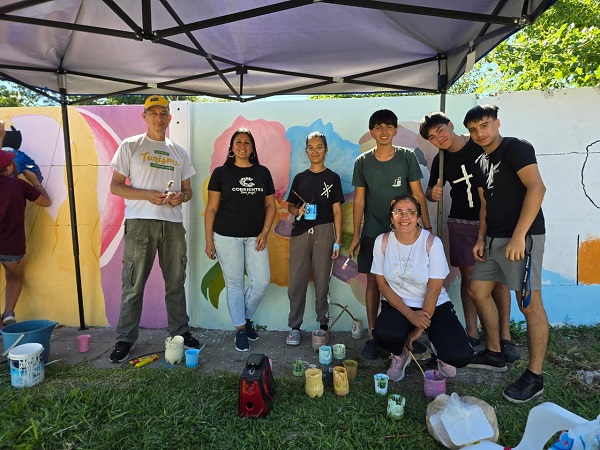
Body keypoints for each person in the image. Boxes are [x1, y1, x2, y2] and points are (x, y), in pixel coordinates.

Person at [464, 104, 548, 403]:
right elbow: (485, 205)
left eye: (484, 125)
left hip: (521, 238)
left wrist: (519, 236)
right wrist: (481, 238)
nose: (480, 133)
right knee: (477, 291)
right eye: (473, 130)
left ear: (497, 123)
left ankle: (535, 377)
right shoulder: (479, 161)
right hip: (493, 239)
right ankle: (494, 353)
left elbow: (537, 189)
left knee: (529, 304)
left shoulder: (516, 148)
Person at [420, 112, 519, 363]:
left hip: (495, 221)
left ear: (450, 125)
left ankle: (504, 338)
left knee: (499, 280)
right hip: (461, 221)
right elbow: (431, 191)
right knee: (469, 278)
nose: (439, 138)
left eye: (440, 130)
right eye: (432, 137)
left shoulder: (479, 143)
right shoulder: (441, 160)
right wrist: (433, 193)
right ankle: (472, 333)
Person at [109, 95, 199, 363]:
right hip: (140, 222)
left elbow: (188, 191)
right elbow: (116, 186)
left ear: (170, 117)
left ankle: (180, 331)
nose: (159, 118)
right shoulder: (131, 145)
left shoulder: (179, 152)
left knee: (176, 281)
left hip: (172, 224)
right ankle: (125, 338)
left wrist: (180, 197)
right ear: (144, 116)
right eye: (153, 113)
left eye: (163, 113)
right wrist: (147, 195)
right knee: (133, 283)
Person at [350, 109, 432, 360]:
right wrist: (356, 235)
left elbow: (418, 195)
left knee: (406, 280)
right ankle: (373, 335)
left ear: (395, 130)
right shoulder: (362, 161)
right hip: (373, 232)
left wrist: (427, 228)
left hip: (405, 233)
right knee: (373, 283)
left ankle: (408, 335)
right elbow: (359, 200)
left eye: (388, 126)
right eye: (378, 127)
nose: (383, 131)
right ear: (371, 131)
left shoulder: (407, 157)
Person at [371, 194, 473, 381]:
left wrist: (420, 327)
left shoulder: (432, 243)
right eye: (398, 212)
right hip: (398, 304)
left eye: (411, 212)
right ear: (391, 218)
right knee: (383, 333)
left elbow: (434, 289)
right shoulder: (382, 242)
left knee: (460, 355)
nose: (405, 217)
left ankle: (439, 349)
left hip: (434, 304)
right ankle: (401, 353)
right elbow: (382, 285)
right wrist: (411, 315)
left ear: (418, 217)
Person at [205, 128, 276, 352]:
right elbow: (211, 209)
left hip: (256, 236)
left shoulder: (262, 172)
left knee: (262, 281)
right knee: (235, 284)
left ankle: (243, 319)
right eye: (238, 142)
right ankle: (240, 330)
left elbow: (270, 205)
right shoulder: (220, 173)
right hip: (226, 236)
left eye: (247, 142)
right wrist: (209, 241)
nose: (242, 145)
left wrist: (265, 232)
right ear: (232, 147)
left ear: (252, 148)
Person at [285, 132, 344, 346]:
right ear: (306, 151)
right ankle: (295, 327)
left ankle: (323, 325)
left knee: (321, 281)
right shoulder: (300, 178)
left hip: (325, 231)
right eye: (311, 147)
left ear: (326, 150)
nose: (315, 151)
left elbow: (337, 211)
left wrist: (337, 240)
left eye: (319, 147)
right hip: (301, 233)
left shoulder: (333, 178)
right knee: (297, 281)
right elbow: (290, 206)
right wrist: (298, 211)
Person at [0, 145, 51, 326]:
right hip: (12, 245)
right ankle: (8, 312)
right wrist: (35, 181)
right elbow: (45, 202)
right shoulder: (19, 185)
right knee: (14, 277)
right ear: (8, 167)